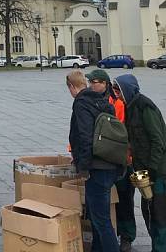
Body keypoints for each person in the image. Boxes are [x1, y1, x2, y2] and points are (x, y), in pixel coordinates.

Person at [113, 75, 166, 252]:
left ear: (127, 89)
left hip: (161, 172)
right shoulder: (131, 107)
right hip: (148, 171)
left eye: (118, 90)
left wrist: (151, 169)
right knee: (150, 213)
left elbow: (157, 141)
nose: (116, 94)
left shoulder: (145, 107)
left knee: (162, 216)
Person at [67, 69, 121, 252]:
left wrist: (83, 166)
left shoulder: (81, 103)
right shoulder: (103, 101)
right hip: (110, 163)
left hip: (97, 167)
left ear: (72, 87)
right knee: (97, 217)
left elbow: (84, 135)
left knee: (101, 220)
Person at [87, 70, 136, 252]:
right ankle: (108, 237)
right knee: (105, 203)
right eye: (90, 82)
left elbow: (119, 130)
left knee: (124, 199)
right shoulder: (94, 102)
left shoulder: (119, 104)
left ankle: (126, 235)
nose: (92, 85)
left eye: (96, 81)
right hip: (104, 158)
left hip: (121, 157)